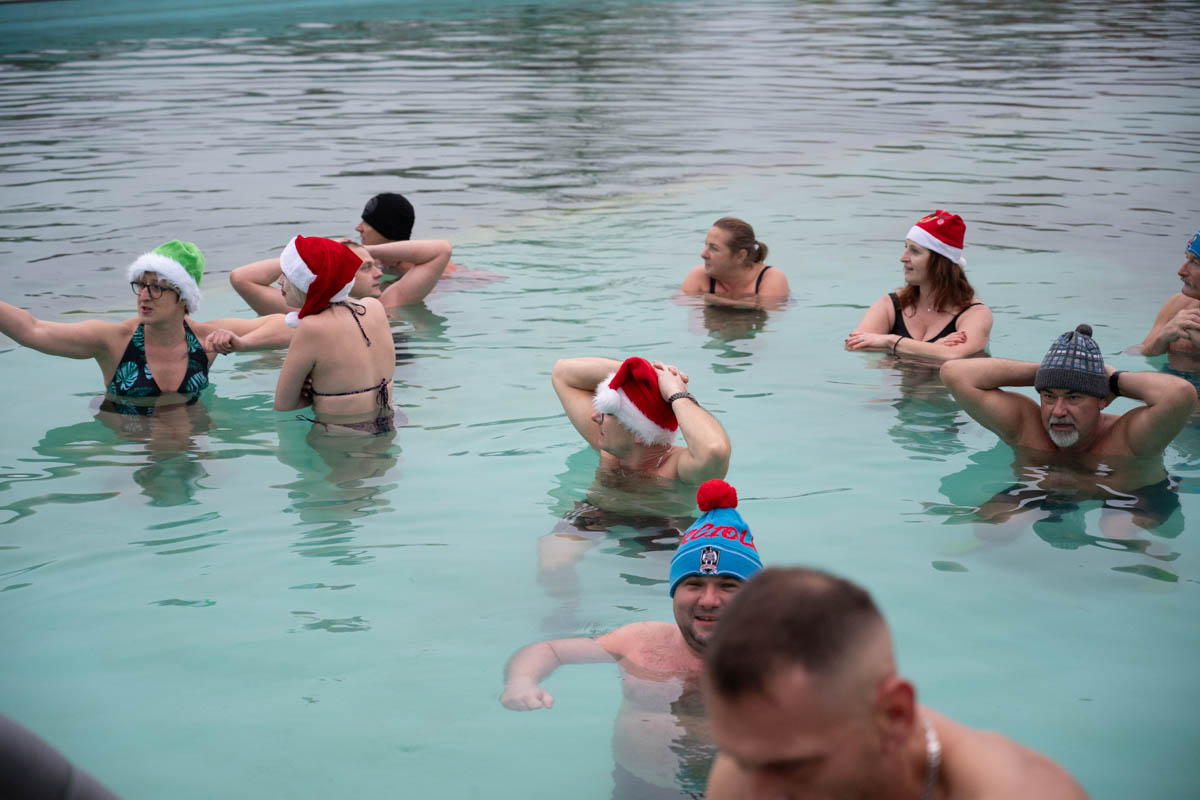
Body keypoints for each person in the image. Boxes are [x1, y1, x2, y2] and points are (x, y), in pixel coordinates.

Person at [703, 567, 1088, 799]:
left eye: (794, 767)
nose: (756, 794)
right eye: (741, 760)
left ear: (895, 715)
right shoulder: (753, 764)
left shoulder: (1016, 792)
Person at [503, 480, 762, 798]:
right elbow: (549, 650)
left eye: (728, 586)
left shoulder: (774, 665)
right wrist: (521, 682)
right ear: (675, 591)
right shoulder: (640, 640)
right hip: (636, 786)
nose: (708, 600)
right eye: (694, 584)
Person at [940, 324, 1194, 535]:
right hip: (1045, 490)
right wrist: (1052, 371)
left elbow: (1180, 393)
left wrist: (1113, 380)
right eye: (1049, 396)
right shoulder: (1026, 426)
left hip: (1130, 493)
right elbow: (954, 372)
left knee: (1116, 532)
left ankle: (1151, 556)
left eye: (1073, 397)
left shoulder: (1128, 437)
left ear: (1102, 400)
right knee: (990, 529)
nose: (1058, 411)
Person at [0, 240, 280, 412]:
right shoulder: (114, 341)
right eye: (141, 285)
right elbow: (33, 330)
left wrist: (242, 343)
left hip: (188, 442)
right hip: (131, 451)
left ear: (183, 298)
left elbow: (287, 325)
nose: (144, 296)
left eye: (157, 288)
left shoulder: (205, 338)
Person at [271, 236, 397, 435]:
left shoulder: (311, 328)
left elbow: (284, 405)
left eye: (286, 274)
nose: (279, 280)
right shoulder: (374, 307)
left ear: (304, 282)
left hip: (342, 434)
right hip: (389, 422)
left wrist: (310, 392)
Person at [551, 356, 731, 483]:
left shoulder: (675, 470)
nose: (595, 417)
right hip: (595, 514)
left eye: (608, 412)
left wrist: (676, 393)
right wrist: (650, 374)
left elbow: (714, 449)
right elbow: (562, 373)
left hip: (660, 524)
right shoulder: (610, 448)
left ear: (639, 433)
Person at [847, 209, 993, 360]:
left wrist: (891, 341)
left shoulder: (975, 313)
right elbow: (853, 345)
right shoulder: (891, 305)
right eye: (906, 248)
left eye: (915, 251)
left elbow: (958, 354)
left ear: (940, 262)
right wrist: (934, 348)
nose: (903, 258)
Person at [680, 217, 789, 306]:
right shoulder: (700, 275)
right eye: (706, 245)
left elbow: (769, 312)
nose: (703, 254)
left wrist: (715, 301)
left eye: (714, 248)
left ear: (740, 256)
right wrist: (745, 304)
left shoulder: (770, 277)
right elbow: (680, 302)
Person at [1139, 228, 1200, 357]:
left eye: (1195, 262)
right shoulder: (1178, 305)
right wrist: (1163, 337)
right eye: (1187, 258)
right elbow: (1135, 353)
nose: (1181, 271)